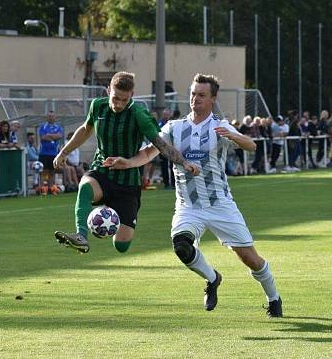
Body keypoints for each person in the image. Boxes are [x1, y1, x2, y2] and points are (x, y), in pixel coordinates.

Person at [104, 74, 283, 317]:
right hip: (188, 206)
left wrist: (234, 136)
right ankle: (212, 278)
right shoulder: (174, 128)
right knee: (181, 246)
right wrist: (127, 163)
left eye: (201, 95)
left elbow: (251, 145)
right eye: (192, 93)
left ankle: (273, 298)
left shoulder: (219, 126)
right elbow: (148, 153)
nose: (195, 99)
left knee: (249, 258)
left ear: (212, 98)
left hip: (220, 204)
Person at [52, 71, 198, 255]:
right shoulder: (97, 106)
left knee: (121, 246)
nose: (119, 104)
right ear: (108, 91)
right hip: (102, 170)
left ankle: (108, 212)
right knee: (85, 187)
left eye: (124, 100)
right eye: (115, 98)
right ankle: (81, 236)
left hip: (128, 182)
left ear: (132, 96)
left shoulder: (139, 114)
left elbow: (160, 144)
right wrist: (64, 152)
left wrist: (183, 162)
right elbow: (85, 129)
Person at [38, 110, 63, 185]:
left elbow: (59, 136)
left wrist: (48, 135)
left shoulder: (59, 127)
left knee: (52, 171)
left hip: (54, 153)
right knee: (43, 171)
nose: (51, 118)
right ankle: (42, 188)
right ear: (47, 118)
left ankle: (51, 188)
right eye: (49, 116)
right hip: (44, 153)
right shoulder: (43, 127)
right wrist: (53, 137)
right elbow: (43, 137)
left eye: (52, 116)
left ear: (55, 117)